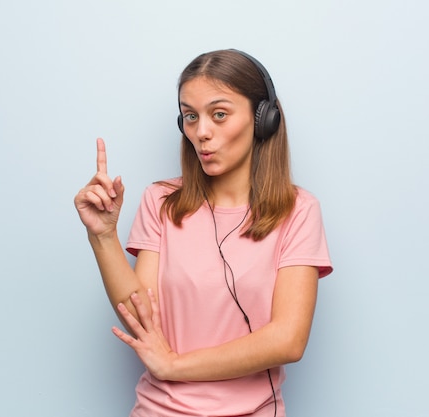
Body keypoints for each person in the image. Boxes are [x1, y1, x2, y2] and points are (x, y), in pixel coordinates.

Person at [74, 49, 333, 417]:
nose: (202, 132)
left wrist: (174, 367)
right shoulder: (161, 201)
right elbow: (144, 317)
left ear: (264, 120)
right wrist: (102, 236)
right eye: (190, 117)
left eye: (220, 114)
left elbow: (288, 340)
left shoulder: (299, 211)